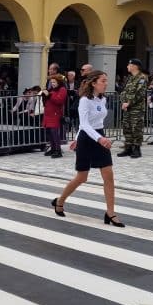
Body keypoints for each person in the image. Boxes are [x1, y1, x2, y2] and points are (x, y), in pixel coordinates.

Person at [52, 70, 124, 226]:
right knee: (82, 177)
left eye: (106, 80)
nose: (106, 84)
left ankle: (110, 213)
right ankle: (60, 200)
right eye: (103, 81)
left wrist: (100, 137)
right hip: (88, 138)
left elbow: (96, 123)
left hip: (99, 136)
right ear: (93, 83)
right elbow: (84, 124)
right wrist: (82, 139)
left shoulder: (102, 99)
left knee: (108, 176)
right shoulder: (84, 100)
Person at [118, 58, 147, 158]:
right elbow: (123, 91)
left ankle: (137, 149)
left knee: (136, 128)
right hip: (127, 108)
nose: (127, 66)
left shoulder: (142, 78)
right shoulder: (130, 78)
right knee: (127, 128)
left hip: (136, 109)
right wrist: (123, 102)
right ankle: (128, 148)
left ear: (135, 66)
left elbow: (140, 93)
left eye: (129, 65)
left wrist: (129, 103)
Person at [40, 74, 67, 157]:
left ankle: (58, 150)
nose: (52, 84)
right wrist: (44, 95)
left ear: (59, 82)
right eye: (51, 82)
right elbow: (47, 100)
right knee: (49, 132)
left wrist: (49, 95)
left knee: (54, 132)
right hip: (48, 113)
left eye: (54, 82)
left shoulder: (62, 89)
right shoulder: (52, 89)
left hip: (55, 113)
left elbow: (59, 101)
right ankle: (53, 149)